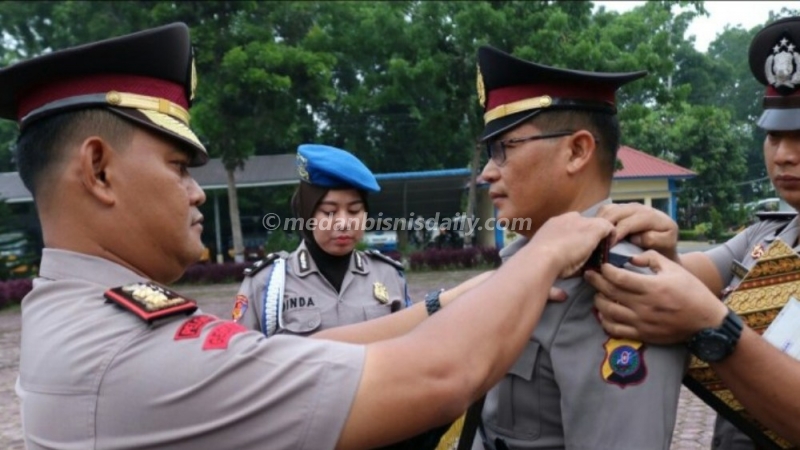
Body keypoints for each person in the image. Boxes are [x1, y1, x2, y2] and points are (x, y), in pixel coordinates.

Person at [5, 22, 616, 450]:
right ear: (99, 169)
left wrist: (445, 301)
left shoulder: (76, 315)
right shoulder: (129, 350)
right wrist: (545, 252)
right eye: (179, 167)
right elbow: (437, 376)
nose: (195, 192)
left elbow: (311, 352)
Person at [585, 16, 800, 447]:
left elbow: (699, 310)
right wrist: (661, 248)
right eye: (774, 136)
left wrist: (716, 330)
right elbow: (682, 278)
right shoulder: (769, 237)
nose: (784, 156)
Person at [471, 45, 688, 450]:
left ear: (577, 151)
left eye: (504, 148)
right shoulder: (528, 260)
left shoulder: (617, 281)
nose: (487, 172)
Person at [234, 143, 412, 337]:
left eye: (354, 211)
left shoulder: (388, 276)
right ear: (305, 213)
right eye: (329, 212)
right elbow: (241, 360)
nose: (343, 223)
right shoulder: (267, 283)